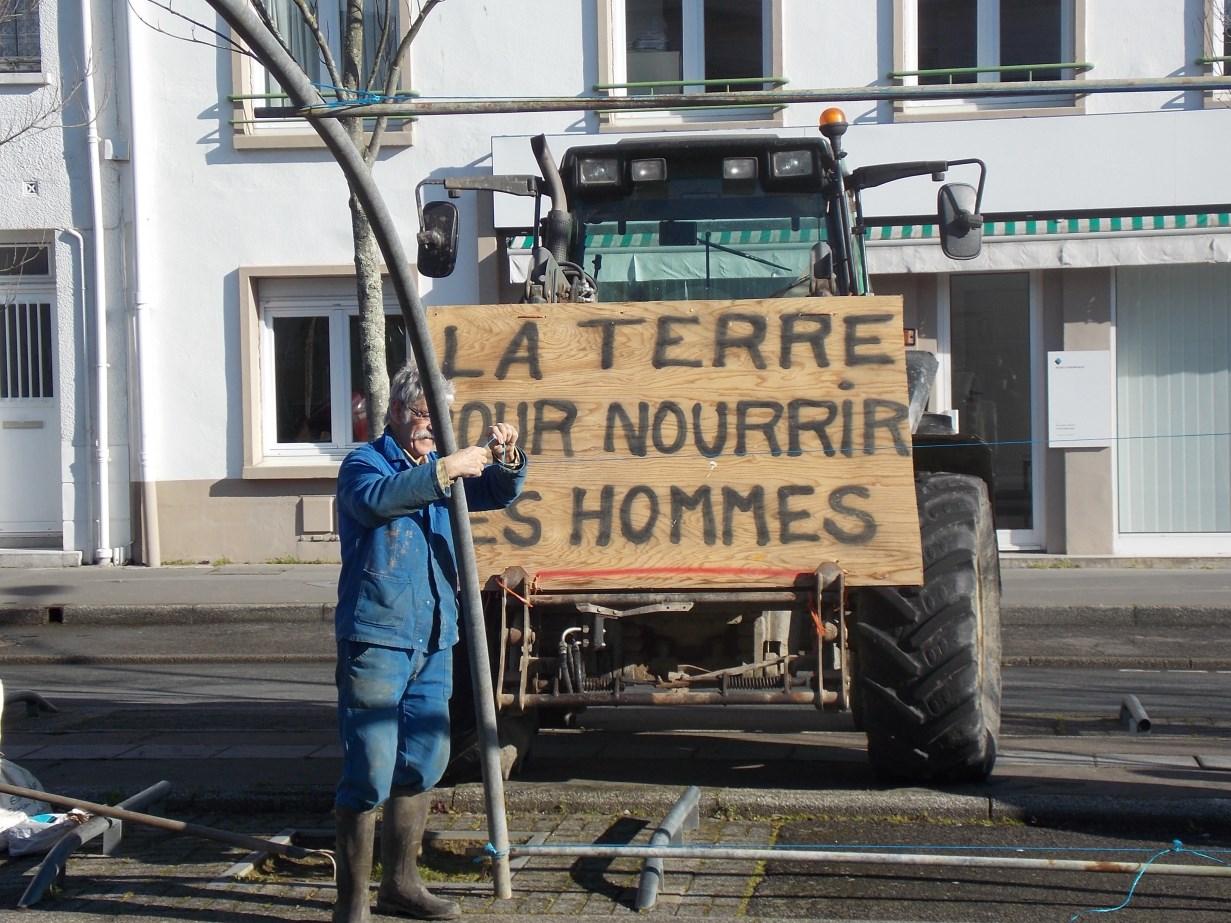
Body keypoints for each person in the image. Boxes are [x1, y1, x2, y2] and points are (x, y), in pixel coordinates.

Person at [332, 360, 527, 923]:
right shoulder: (364, 463)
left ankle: (401, 884)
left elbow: (499, 489)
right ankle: (351, 905)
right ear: (396, 411)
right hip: (378, 637)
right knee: (369, 768)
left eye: (438, 419)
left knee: (424, 759)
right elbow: (375, 502)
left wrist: (505, 455)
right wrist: (444, 471)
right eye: (422, 416)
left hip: (435, 637)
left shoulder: (440, 468)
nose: (430, 429)